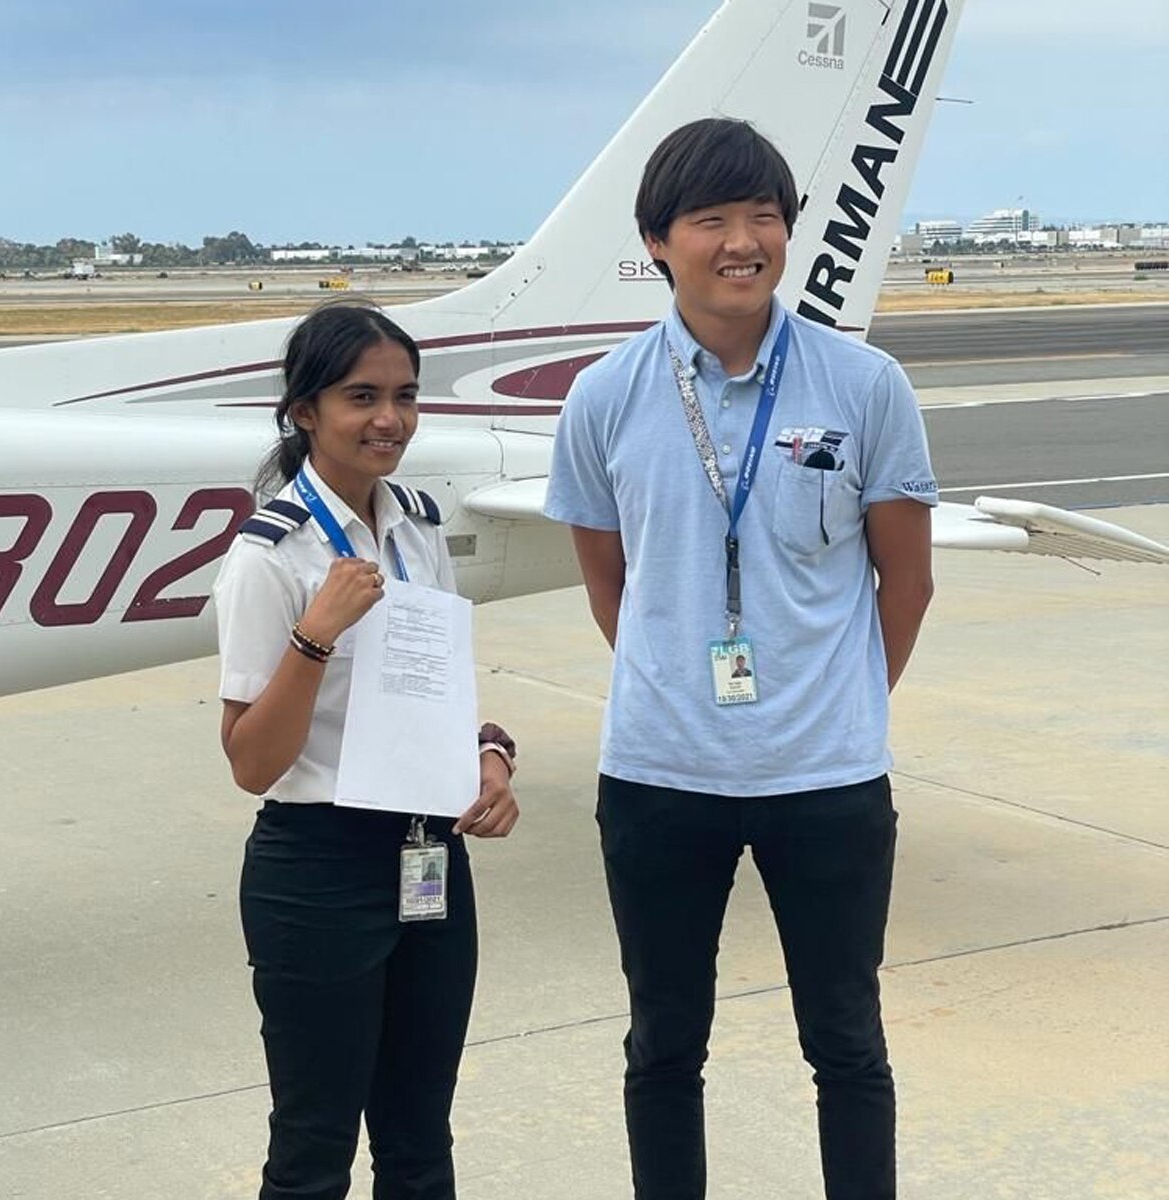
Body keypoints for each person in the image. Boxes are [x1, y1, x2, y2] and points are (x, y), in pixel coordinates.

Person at [544, 119, 936, 1200]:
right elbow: (610, 583)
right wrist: (684, 693)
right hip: (661, 777)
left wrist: (841, 700)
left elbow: (906, 580)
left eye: (763, 215)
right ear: (657, 241)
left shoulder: (864, 386)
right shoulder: (603, 397)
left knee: (847, 1042)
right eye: (710, 219)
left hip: (829, 777)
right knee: (663, 1045)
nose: (742, 240)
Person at [213, 303, 519, 1200]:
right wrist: (315, 636)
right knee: (312, 1152)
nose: (389, 419)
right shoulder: (268, 558)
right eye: (361, 397)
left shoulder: (420, 527)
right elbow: (249, 763)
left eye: (405, 396)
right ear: (304, 411)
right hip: (319, 869)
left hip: (428, 856)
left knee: (421, 1138)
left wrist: (490, 757)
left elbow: (436, 694)